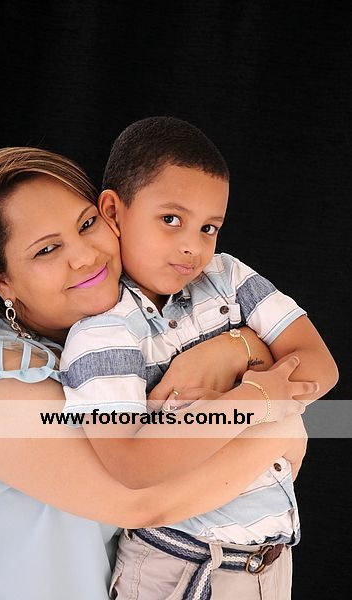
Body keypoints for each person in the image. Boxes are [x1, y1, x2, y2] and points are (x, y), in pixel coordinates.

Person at [0, 146, 313, 600]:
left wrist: (234, 346)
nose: (85, 256)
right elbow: (142, 500)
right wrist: (277, 427)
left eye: (87, 224)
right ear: (0, 279)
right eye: (47, 250)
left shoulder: (126, 340)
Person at [58, 117, 339, 599]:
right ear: (113, 211)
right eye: (171, 219)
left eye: (209, 227)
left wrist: (225, 385)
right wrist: (254, 399)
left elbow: (319, 368)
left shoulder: (227, 278)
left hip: (271, 559)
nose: (193, 246)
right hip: (180, 565)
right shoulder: (103, 334)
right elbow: (131, 462)